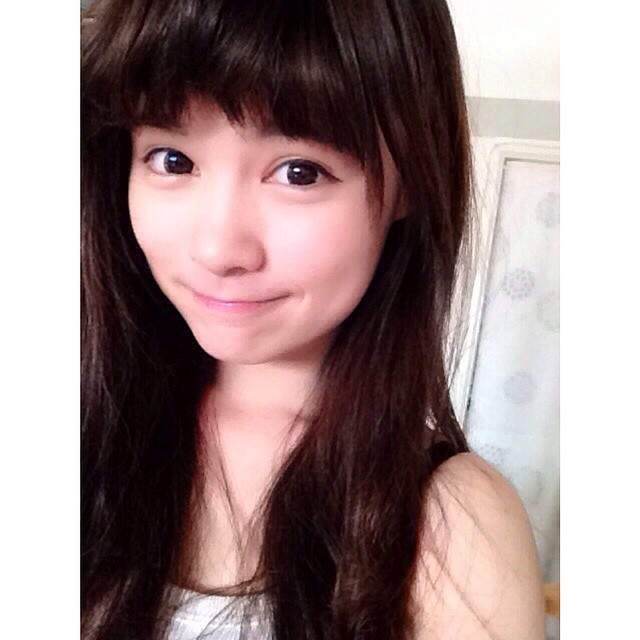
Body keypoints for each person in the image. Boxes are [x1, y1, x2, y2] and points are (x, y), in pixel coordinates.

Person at [81, 0, 545, 638]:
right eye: (172, 160)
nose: (218, 249)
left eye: (299, 172)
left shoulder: (450, 524)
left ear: (409, 184)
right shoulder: (82, 428)